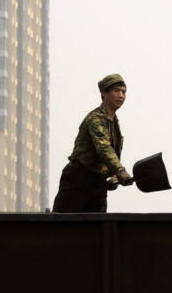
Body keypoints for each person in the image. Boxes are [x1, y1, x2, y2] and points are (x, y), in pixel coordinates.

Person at [53, 73, 132, 213]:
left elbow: (111, 152)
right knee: (62, 228)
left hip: (98, 183)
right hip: (77, 179)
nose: (121, 95)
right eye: (116, 91)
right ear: (104, 93)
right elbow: (104, 147)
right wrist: (119, 170)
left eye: (123, 91)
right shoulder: (95, 119)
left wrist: (112, 176)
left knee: (98, 229)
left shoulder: (113, 122)